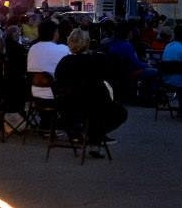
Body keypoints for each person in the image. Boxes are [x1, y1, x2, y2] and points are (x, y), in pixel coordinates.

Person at [54, 29, 127, 158]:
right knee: (118, 112)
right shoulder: (96, 60)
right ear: (87, 43)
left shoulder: (64, 62)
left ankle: (88, 135)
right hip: (91, 105)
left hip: (67, 106)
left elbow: (58, 82)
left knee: (95, 108)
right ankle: (94, 139)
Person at [26, 20, 69, 100]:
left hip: (34, 92)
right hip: (57, 94)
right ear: (55, 33)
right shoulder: (63, 49)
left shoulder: (33, 48)